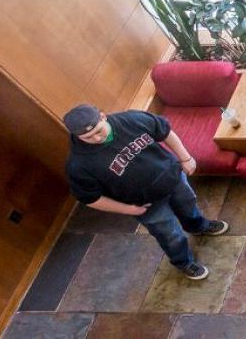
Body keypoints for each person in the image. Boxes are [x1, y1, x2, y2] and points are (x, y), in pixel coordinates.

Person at [64, 104, 228, 280]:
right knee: (169, 234)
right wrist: (130, 210)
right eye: (88, 137)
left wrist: (185, 158)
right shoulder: (78, 165)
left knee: (188, 204)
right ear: (77, 136)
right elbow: (90, 198)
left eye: (98, 130)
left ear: (103, 117)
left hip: (173, 178)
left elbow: (164, 132)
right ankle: (184, 263)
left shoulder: (131, 119)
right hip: (145, 204)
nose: (97, 138)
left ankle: (198, 226)